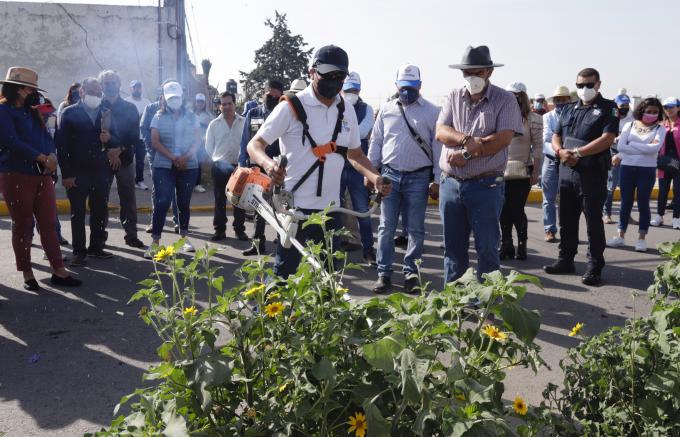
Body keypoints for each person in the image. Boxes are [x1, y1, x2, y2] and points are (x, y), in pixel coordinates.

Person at [247, 44, 390, 278]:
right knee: (283, 280)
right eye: (328, 75)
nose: (333, 81)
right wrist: (269, 165)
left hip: (330, 212)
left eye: (339, 77)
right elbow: (255, 145)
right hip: (295, 211)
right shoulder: (291, 106)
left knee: (327, 281)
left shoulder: (346, 111)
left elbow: (355, 155)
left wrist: (374, 177)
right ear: (312, 72)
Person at [435, 45, 523, 284]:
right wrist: (466, 140)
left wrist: (466, 153)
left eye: (477, 72)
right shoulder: (454, 96)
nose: (471, 78)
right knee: (453, 250)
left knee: (487, 249)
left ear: (489, 72)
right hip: (451, 185)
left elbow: (502, 139)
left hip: (485, 186)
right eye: (467, 73)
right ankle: (456, 304)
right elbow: (441, 131)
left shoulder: (504, 99)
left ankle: (486, 306)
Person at [0, 66, 82, 290]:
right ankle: (27, 273)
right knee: (23, 225)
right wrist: (41, 157)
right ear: (18, 89)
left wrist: (52, 156)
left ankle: (58, 270)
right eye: (29, 89)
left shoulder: (32, 111)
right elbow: (10, 141)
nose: (33, 93)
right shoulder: (4, 110)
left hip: (42, 173)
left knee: (48, 223)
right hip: (16, 173)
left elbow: (46, 136)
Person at [368, 64, 441, 293]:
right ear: (396, 86)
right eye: (403, 87)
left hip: (418, 178)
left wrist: (437, 179)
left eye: (411, 87)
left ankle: (411, 273)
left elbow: (438, 147)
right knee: (386, 227)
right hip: (389, 176)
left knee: (415, 229)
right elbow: (376, 141)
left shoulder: (432, 111)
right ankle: (384, 273)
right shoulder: (387, 110)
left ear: (420, 86)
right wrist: (371, 172)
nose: (407, 92)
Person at [543, 68, 618, 286]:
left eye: (588, 85)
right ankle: (565, 260)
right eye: (579, 85)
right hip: (566, 172)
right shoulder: (567, 108)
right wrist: (560, 152)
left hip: (592, 174)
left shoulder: (608, 108)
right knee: (566, 220)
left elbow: (607, 138)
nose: (583, 89)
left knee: (593, 222)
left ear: (598, 84)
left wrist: (577, 153)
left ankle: (594, 266)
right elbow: (556, 135)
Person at [56, 77, 118, 266]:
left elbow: (116, 139)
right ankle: (79, 251)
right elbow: (61, 145)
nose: (96, 96)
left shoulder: (106, 113)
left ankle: (96, 247)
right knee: (78, 213)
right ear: (82, 92)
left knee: (100, 210)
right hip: (77, 172)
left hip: (100, 171)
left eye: (99, 93)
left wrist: (110, 139)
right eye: (92, 92)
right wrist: (66, 174)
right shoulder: (68, 113)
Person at [145, 81, 201, 257]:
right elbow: (155, 141)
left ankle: (183, 239)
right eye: (171, 98)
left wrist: (185, 157)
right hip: (164, 165)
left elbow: (198, 141)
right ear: (164, 99)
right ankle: (155, 242)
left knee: (183, 203)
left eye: (177, 97)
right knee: (162, 202)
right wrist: (173, 157)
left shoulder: (191, 116)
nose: (174, 100)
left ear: (182, 97)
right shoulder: (158, 117)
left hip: (188, 165)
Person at [606, 98, 666, 252]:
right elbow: (620, 146)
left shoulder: (660, 129)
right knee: (626, 203)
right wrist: (643, 147)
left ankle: (641, 239)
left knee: (643, 203)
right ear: (641, 111)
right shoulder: (629, 125)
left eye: (655, 112)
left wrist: (631, 145)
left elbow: (654, 149)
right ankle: (620, 236)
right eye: (649, 111)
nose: (652, 114)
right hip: (627, 168)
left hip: (646, 170)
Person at [236, 79, 285, 254]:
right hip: (257, 167)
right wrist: (243, 165)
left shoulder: (283, 114)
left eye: (276, 96)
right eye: (269, 95)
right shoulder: (253, 113)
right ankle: (258, 243)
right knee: (259, 207)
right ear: (263, 94)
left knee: (280, 206)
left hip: (278, 167)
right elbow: (245, 141)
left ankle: (282, 243)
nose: (272, 98)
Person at [99, 70, 145, 249]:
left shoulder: (129, 107)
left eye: (113, 82)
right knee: (100, 199)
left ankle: (131, 235)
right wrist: (108, 153)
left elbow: (134, 135)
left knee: (128, 199)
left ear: (119, 85)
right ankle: (99, 237)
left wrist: (117, 151)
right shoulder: (97, 107)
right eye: (106, 83)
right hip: (102, 160)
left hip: (124, 158)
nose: (110, 86)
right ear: (102, 86)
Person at [500, 82, 542, 260]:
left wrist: (536, 172)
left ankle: (522, 245)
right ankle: (506, 244)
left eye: (516, 95)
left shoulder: (533, 118)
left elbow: (538, 147)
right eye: (509, 95)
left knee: (516, 209)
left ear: (522, 97)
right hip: (500, 170)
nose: (512, 98)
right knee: (502, 210)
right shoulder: (501, 116)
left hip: (523, 171)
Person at [341, 71, 376, 266]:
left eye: (354, 90)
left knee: (362, 209)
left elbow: (362, 132)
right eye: (347, 90)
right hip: (338, 166)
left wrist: (343, 135)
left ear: (360, 90)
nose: (350, 93)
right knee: (335, 210)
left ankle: (368, 249)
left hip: (357, 167)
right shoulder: (337, 107)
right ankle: (334, 248)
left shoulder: (367, 109)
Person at [140, 80, 179, 234]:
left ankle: (178, 222)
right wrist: (153, 149)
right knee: (159, 189)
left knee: (178, 188)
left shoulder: (180, 110)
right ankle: (155, 222)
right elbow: (144, 130)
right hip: (156, 156)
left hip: (176, 156)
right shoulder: (150, 109)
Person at [206, 91, 245, 241]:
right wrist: (216, 161)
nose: (227, 106)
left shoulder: (244, 122)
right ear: (220, 106)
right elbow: (209, 147)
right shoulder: (214, 124)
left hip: (239, 167)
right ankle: (219, 230)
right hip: (220, 167)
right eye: (224, 104)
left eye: (230, 103)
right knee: (219, 200)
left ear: (235, 104)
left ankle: (239, 230)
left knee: (239, 201)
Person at [541, 86, 571, 242]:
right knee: (549, 198)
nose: (560, 103)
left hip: (570, 161)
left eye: (563, 100)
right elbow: (546, 139)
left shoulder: (574, 115)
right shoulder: (548, 117)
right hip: (552, 159)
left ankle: (568, 231)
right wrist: (560, 153)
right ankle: (550, 229)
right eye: (557, 100)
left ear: (569, 100)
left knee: (568, 199)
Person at [603, 94, 636, 224]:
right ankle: (607, 213)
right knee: (611, 186)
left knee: (627, 187)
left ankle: (626, 215)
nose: (625, 108)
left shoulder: (632, 117)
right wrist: (614, 138)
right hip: (612, 152)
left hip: (628, 154)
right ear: (616, 105)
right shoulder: (610, 116)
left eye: (627, 105)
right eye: (622, 105)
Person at [651, 97, 680, 229]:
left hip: (678, 164)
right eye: (666, 107)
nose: (669, 109)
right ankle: (659, 216)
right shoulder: (662, 125)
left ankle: (676, 218)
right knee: (663, 191)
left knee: (678, 191)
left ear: (678, 108)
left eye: (672, 107)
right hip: (664, 164)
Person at [124, 80, 152, 190]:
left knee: (140, 161)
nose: (137, 89)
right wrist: (137, 117)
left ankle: (139, 181)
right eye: (135, 87)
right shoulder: (126, 102)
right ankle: (127, 181)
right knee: (128, 160)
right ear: (131, 89)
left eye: (139, 87)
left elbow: (151, 118)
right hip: (129, 137)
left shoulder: (147, 102)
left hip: (142, 137)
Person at [193, 93, 211, 193]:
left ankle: (197, 184)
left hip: (202, 143)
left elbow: (211, 129)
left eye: (201, 102)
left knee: (199, 164)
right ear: (195, 102)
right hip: (191, 143)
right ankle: (190, 183)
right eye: (198, 101)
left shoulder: (208, 115)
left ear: (204, 103)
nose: (199, 103)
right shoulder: (190, 114)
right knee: (191, 164)